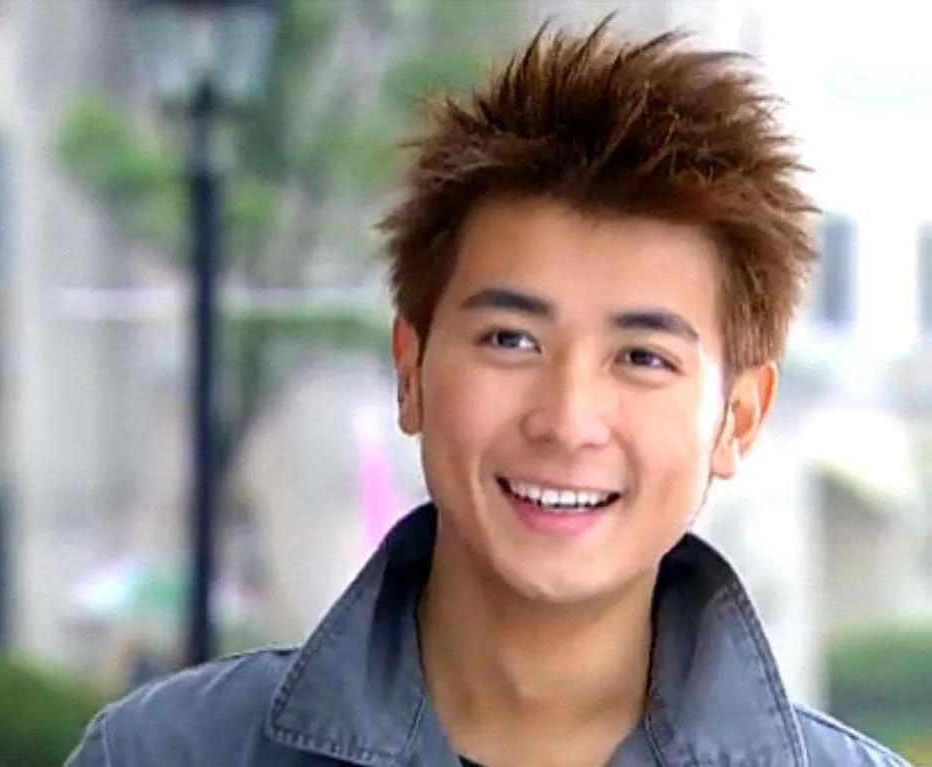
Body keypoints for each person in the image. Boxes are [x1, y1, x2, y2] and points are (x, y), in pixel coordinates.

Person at [66, 18, 911, 767]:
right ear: (411, 368)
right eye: (511, 339)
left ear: (738, 417)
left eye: (641, 357)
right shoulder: (159, 753)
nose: (567, 419)